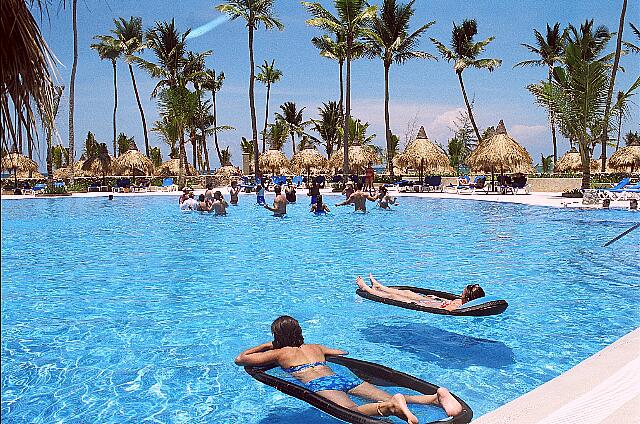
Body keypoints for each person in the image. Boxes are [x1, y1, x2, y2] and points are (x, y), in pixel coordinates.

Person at [234, 316, 463, 424]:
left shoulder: (279, 353)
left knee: (353, 410)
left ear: (278, 336)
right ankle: (435, 397)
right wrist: (320, 354)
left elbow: (241, 359)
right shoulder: (315, 347)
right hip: (339, 376)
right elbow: (341, 353)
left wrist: (268, 345)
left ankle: (391, 408)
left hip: (319, 384)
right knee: (392, 394)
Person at [356, 274, 485, 311]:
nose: (461, 294)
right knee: (406, 291)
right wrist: (437, 298)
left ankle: (366, 289)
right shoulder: (460, 301)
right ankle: (379, 286)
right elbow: (448, 302)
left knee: (393, 296)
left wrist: (445, 304)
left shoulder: (461, 306)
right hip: (431, 301)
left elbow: (450, 309)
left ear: (468, 298)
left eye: (463, 293)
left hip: (424, 305)